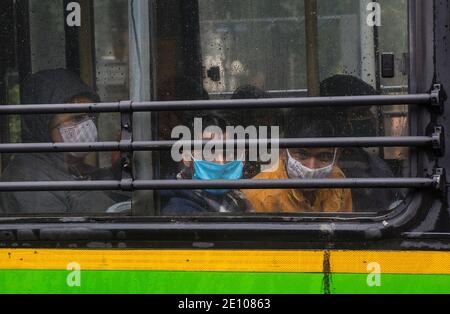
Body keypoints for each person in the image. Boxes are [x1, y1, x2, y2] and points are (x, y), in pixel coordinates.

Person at [0, 68, 127, 214]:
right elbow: (60, 231)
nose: (88, 126)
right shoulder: (27, 178)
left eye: (91, 117)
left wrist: (119, 168)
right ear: (44, 124)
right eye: (76, 118)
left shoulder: (69, 168)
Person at [319, 74, 400, 212]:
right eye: (361, 112)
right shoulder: (332, 169)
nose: (371, 117)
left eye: (370, 111)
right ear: (339, 119)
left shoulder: (364, 160)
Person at [243, 119, 352, 213]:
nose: (311, 167)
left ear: (336, 157)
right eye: (302, 155)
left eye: (323, 156)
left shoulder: (337, 181)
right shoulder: (259, 196)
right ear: (283, 153)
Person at [161, 114, 252, 215]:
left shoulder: (236, 198)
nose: (221, 163)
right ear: (187, 156)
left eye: (229, 153)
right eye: (208, 153)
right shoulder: (181, 212)